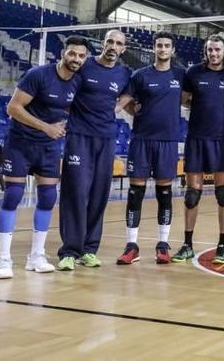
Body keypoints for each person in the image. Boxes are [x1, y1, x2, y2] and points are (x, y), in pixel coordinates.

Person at [0, 36, 89, 279]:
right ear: (63, 54)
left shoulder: (77, 82)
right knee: (13, 196)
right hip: (20, 143)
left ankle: (36, 255)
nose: (76, 59)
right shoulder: (39, 75)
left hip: (48, 147)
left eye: (80, 55)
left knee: (47, 198)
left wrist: (58, 127)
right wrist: (45, 126)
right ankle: (4, 259)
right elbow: (13, 108)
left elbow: (66, 108)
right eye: (72, 54)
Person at [57, 30, 131, 271]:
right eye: (109, 41)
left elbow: (129, 93)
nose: (113, 46)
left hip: (106, 139)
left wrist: (117, 107)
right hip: (79, 137)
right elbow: (64, 88)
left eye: (118, 43)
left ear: (123, 49)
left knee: (99, 195)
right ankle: (69, 250)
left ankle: (89, 250)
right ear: (103, 43)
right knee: (75, 193)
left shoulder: (123, 73)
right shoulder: (84, 65)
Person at [115, 31, 184, 265]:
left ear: (172, 50)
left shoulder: (180, 75)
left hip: (168, 141)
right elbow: (124, 103)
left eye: (166, 46)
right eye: (159, 45)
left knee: (165, 194)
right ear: (154, 48)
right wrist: (138, 113)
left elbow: (191, 97)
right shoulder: (140, 75)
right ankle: (131, 246)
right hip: (142, 140)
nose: (162, 49)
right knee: (136, 193)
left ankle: (163, 244)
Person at [172, 34, 224, 265]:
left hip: (220, 139)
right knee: (192, 194)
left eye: (218, 50)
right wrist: (201, 104)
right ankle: (187, 244)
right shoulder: (193, 72)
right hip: (196, 138)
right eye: (210, 50)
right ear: (206, 51)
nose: (214, 53)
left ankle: (222, 244)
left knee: (223, 193)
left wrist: (222, 109)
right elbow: (184, 99)